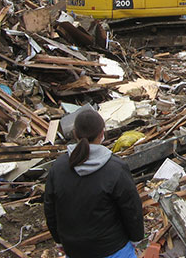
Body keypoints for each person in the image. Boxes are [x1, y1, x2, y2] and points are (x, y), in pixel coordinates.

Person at [44, 109, 144, 258]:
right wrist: (136, 238)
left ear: (75, 134)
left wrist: (59, 241)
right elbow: (131, 209)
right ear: (102, 134)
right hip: (113, 249)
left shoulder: (58, 168)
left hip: (74, 249)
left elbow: (50, 208)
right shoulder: (115, 168)